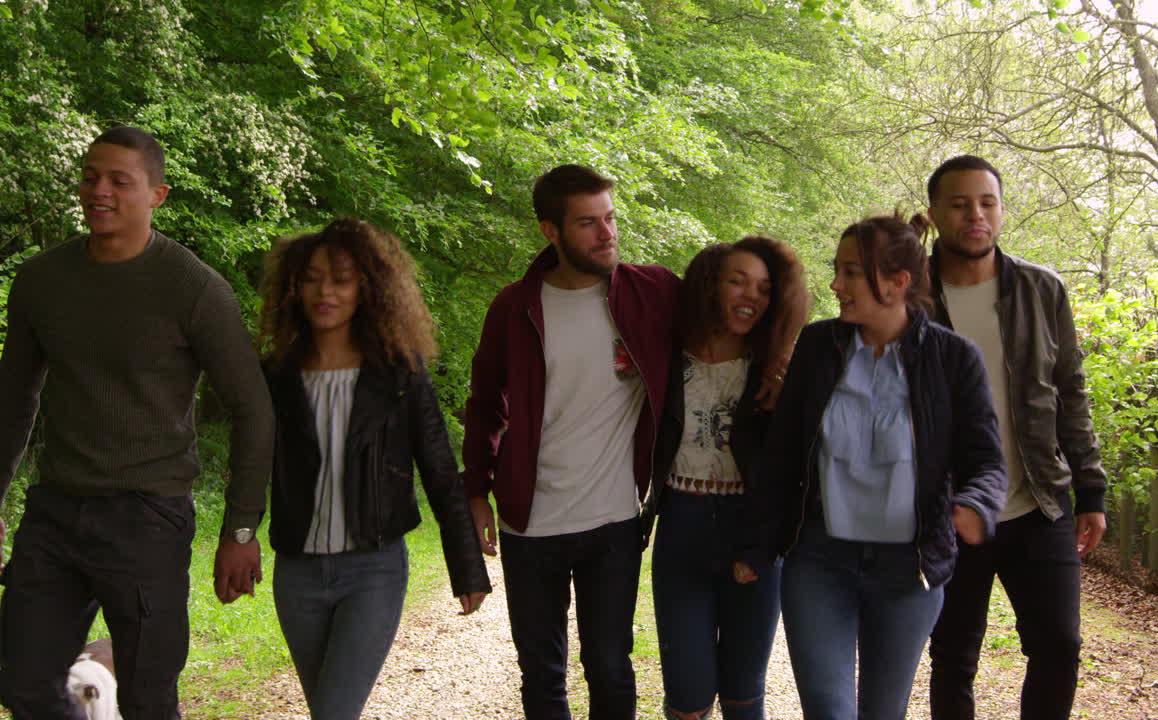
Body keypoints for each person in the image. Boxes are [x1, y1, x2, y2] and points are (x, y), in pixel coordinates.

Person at [0, 126, 274, 718]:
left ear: (157, 194)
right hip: (54, 513)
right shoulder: (42, 281)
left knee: (150, 696)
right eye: (90, 176)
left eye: (119, 180)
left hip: (147, 518)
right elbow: (13, 401)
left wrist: (241, 531)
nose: (99, 190)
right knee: (23, 684)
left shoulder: (194, 288)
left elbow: (254, 410)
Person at [747, 212, 1007, 720]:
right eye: (837, 269)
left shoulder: (954, 359)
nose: (835, 284)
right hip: (819, 562)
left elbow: (987, 462)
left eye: (850, 273)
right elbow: (781, 455)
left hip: (908, 572)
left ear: (896, 283)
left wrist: (975, 505)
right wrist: (757, 543)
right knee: (828, 710)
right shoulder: (819, 347)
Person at [462, 163, 681, 719]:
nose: (607, 233)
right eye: (588, 223)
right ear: (550, 231)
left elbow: (732, 317)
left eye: (610, 218)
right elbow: (485, 402)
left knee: (609, 664)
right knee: (541, 673)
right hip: (527, 524)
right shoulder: (513, 308)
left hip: (613, 521)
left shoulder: (652, 294)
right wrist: (476, 492)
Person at [258, 217, 491, 720]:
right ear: (295, 286)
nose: (325, 291)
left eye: (341, 280)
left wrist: (467, 567)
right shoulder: (276, 374)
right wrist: (238, 535)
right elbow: (252, 462)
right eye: (313, 278)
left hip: (373, 570)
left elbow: (439, 469)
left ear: (367, 289)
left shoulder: (399, 372)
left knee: (334, 713)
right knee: (327, 707)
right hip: (295, 572)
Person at [924, 155, 1108, 720]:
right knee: (953, 656)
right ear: (934, 215)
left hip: (1039, 501)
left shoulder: (1042, 289)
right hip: (949, 509)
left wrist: (1090, 490)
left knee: (1059, 645)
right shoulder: (911, 297)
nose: (975, 215)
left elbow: (1070, 394)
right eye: (959, 204)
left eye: (987, 202)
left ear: (1001, 211)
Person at [641, 237, 809, 720]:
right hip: (681, 531)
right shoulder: (666, 358)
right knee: (688, 696)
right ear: (708, 286)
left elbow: (792, 474)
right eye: (737, 281)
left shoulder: (778, 370)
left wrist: (761, 545)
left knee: (742, 691)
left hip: (752, 537)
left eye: (762, 287)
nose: (751, 295)